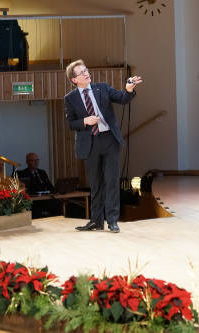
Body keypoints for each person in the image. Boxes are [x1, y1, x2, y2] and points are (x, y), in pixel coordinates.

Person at [64, 59, 142, 233]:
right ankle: (96, 221)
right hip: (89, 143)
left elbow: (122, 98)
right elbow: (71, 123)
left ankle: (112, 220)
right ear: (74, 80)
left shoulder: (103, 88)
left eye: (86, 70)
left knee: (112, 181)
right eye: (81, 72)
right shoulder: (70, 99)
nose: (86, 73)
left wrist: (129, 89)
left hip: (109, 140)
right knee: (96, 183)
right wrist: (85, 121)